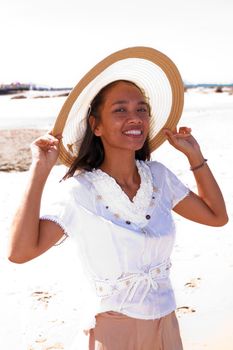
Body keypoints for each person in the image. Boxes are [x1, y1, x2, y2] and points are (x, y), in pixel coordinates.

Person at [8, 47, 228, 350]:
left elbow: (217, 217)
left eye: (141, 109)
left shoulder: (159, 177)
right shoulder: (79, 191)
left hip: (167, 327)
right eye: (120, 110)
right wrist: (39, 171)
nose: (134, 117)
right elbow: (19, 253)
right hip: (112, 334)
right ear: (95, 125)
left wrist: (195, 155)